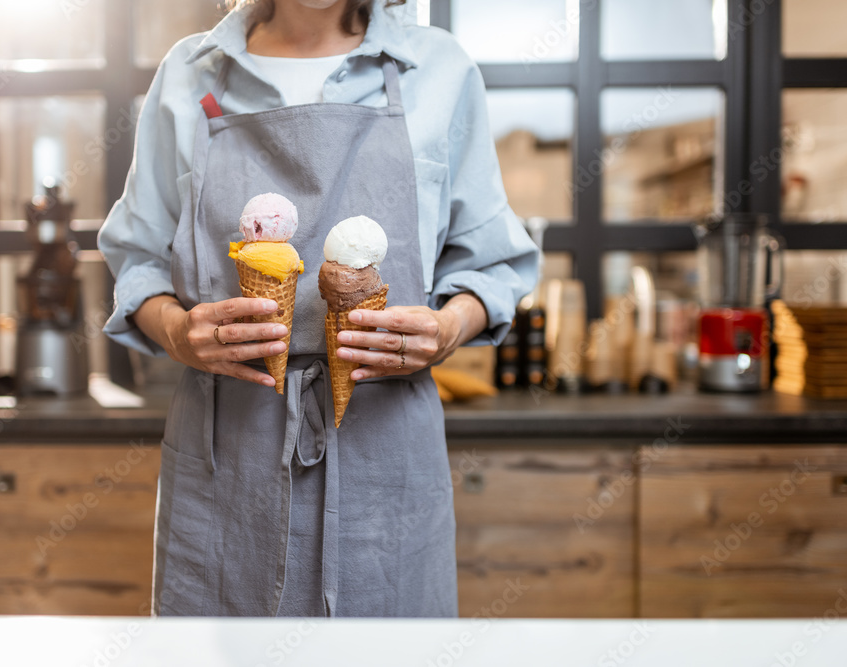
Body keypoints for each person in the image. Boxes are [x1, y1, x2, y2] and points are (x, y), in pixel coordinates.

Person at [98, 0, 539, 618]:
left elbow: (491, 264)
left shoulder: (438, 68)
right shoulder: (191, 73)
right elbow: (138, 260)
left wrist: (447, 328)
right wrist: (176, 331)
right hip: (228, 454)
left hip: (385, 453)